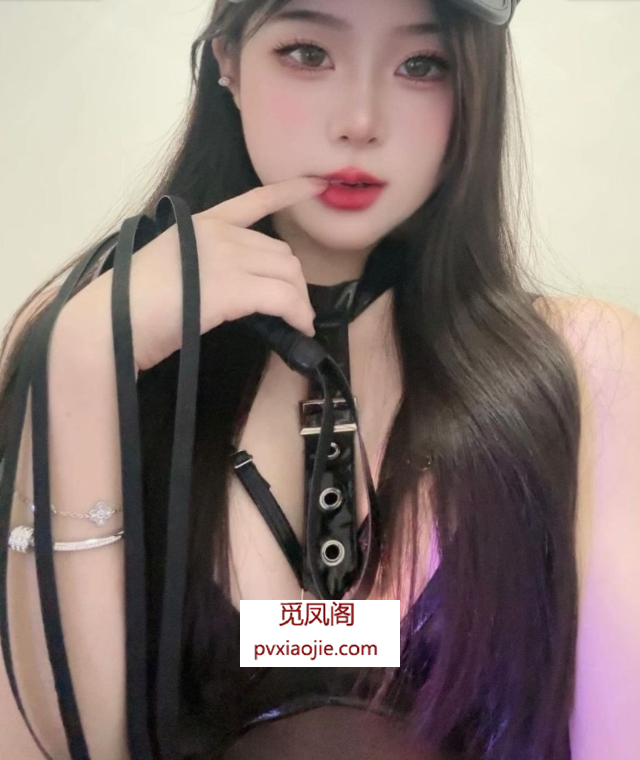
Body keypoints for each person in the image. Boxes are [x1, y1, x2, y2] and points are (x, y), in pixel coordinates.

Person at [1, 0, 639, 758]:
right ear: (228, 59)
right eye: (308, 52)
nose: (360, 122)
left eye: (421, 65)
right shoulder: (85, 338)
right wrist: (79, 370)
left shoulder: (588, 367)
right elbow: (54, 744)